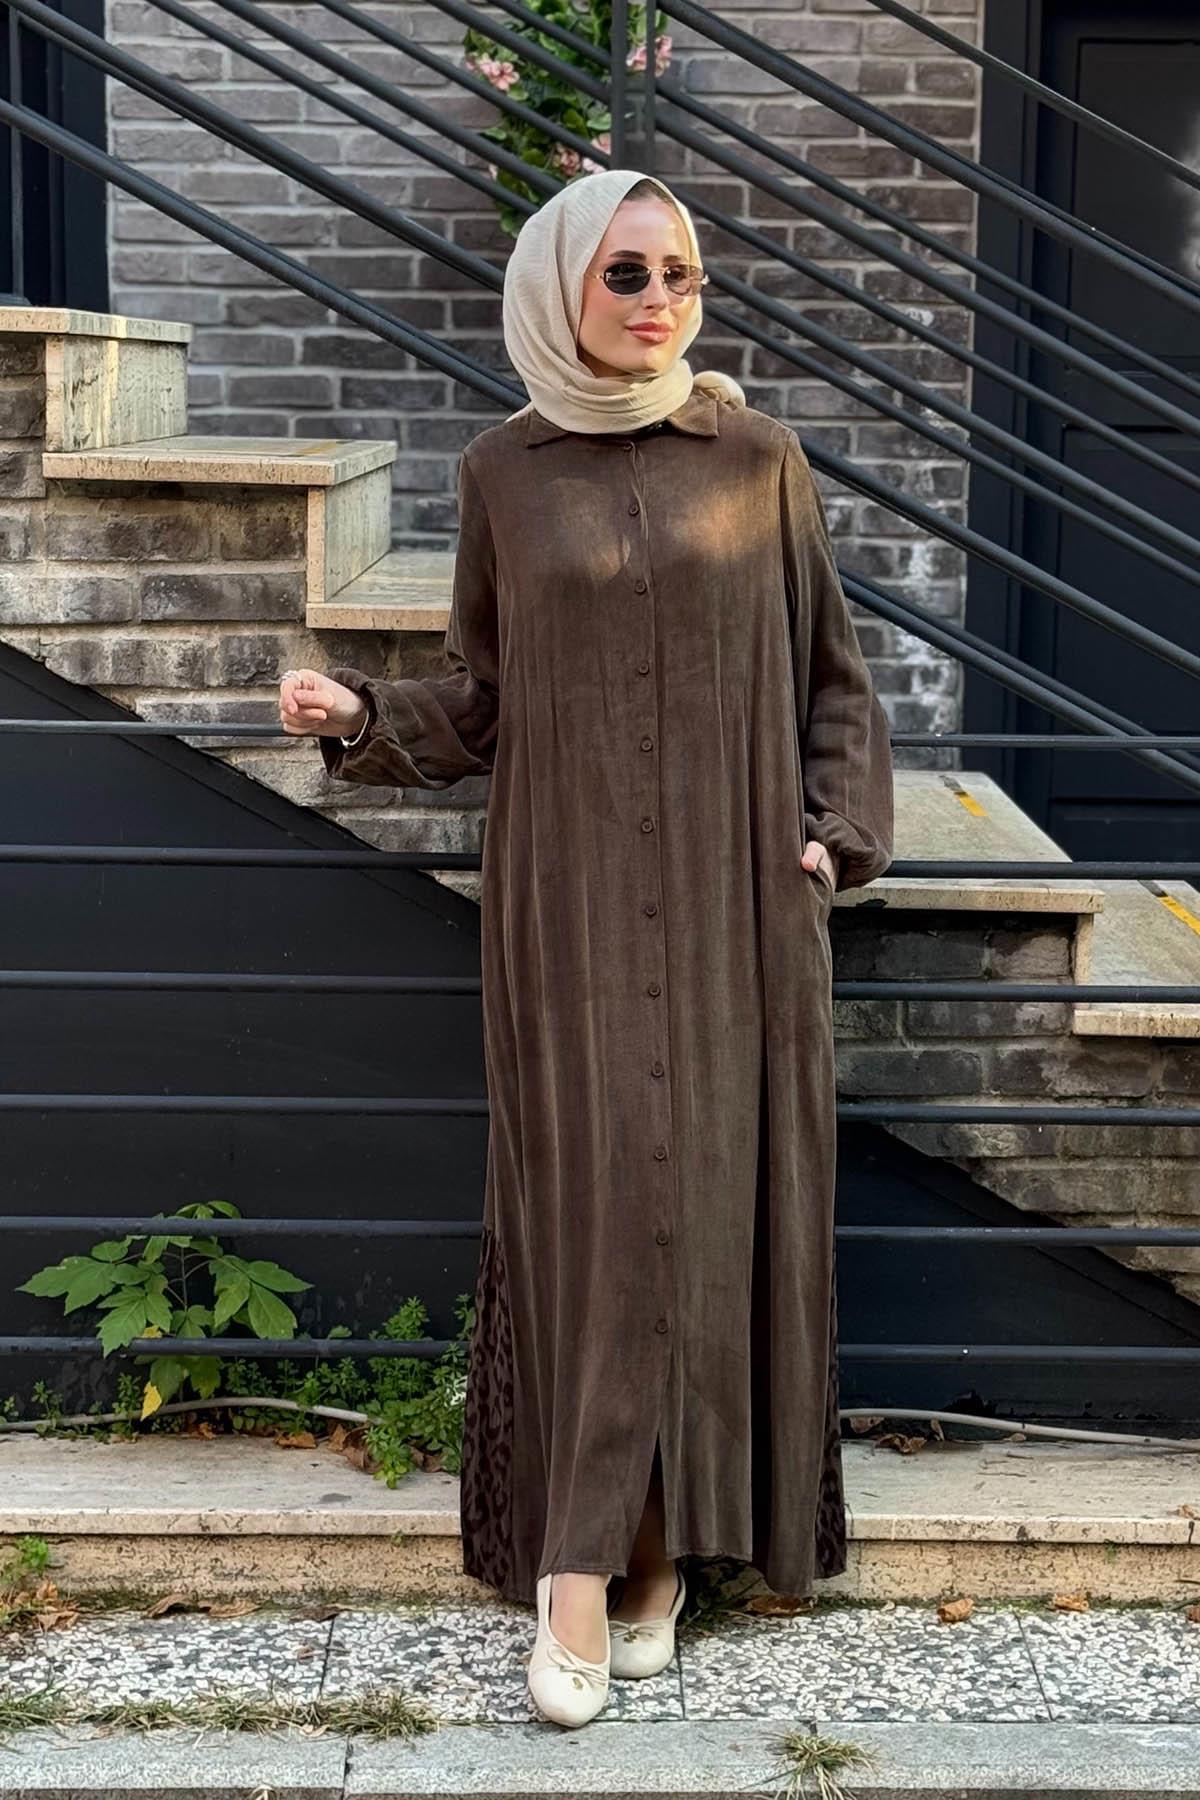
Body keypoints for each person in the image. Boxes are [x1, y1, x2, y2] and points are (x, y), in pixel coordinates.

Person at [278, 167, 894, 1728]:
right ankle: (581, 1562)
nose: (660, 299)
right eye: (627, 273)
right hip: (566, 908)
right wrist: (364, 715)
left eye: (681, 273)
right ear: (561, 283)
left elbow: (834, 675)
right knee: (602, 1204)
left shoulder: (758, 458)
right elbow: (487, 698)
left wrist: (832, 835)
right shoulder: (504, 472)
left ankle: (658, 1552)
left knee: (707, 1206)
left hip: (741, 903)